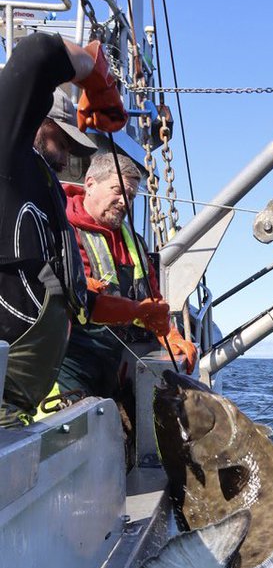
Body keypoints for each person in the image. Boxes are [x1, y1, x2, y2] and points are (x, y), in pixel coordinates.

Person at [0, 31, 127, 419]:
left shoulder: (44, 187)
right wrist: (94, 71)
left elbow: (74, 300)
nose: (71, 151)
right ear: (36, 119)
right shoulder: (7, 155)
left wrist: (136, 311)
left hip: (15, 411)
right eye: (64, 138)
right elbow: (38, 53)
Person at [56, 149, 197, 401]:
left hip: (111, 359)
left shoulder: (135, 243)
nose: (125, 201)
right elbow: (74, 300)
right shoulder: (60, 228)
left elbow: (152, 298)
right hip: (65, 360)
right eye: (118, 190)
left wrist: (170, 335)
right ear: (90, 184)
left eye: (130, 196)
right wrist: (136, 311)